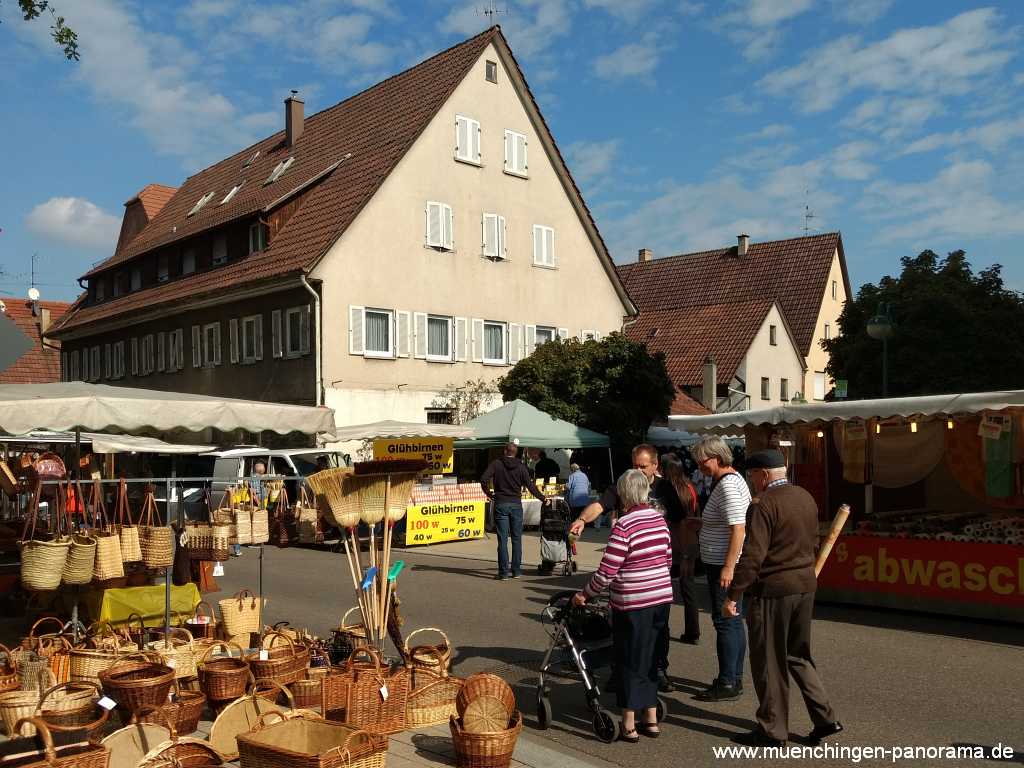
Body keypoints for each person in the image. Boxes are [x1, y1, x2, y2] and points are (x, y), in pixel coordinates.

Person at [724, 450, 843, 747]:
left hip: (773, 590)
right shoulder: (805, 496)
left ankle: (772, 729)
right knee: (799, 656)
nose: (751, 482)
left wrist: (734, 593)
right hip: (804, 584)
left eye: (752, 476)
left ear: (763, 475)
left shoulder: (763, 505)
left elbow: (753, 556)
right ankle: (825, 718)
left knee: (770, 661)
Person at [573, 469, 672, 743]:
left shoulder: (624, 526)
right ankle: (650, 716)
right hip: (661, 598)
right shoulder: (659, 520)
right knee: (651, 657)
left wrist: (585, 594)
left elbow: (607, 572)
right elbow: (667, 559)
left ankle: (629, 721)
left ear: (624, 495)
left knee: (629, 660)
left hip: (634, 602)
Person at [692, 435, 750, 702]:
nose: (700, 466)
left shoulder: (727, 485)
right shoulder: (733, 481)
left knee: (725, 621)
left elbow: (738, 528)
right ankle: (732, 678)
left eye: (702, 462)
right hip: (724, 562)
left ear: (716, 457)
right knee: (733, 620)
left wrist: (728, 566)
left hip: (723, 565)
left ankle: (728, 681)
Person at [481, 442, 546, 580]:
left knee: (502, 540)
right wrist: (543, 499)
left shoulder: (496, 464)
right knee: (517, 539)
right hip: (516, 504)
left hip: (501, 503)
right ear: (515, 453)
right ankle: (516, 571)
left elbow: (483, 480)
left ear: (505, 451)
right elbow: (530, 486)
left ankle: (503, 572)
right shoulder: (521, 467)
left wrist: (489, 494)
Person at [656, 453, 701, 645]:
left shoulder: (665, 489)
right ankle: (693, 632)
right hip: (690, 541)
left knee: (663, 589)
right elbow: (696, 512)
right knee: (688, 588)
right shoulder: (690, 487)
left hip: (671, 542)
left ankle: (660, 629)